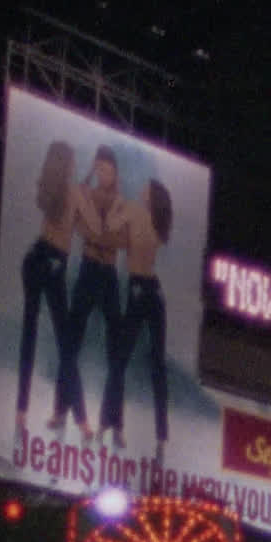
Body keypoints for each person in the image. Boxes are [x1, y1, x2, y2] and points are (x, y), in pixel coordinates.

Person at [99, 178, 174, 452]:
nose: (141, 189)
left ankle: (112, 424)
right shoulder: (157, 221)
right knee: (154, 365)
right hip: (151, 290)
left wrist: (117, 204)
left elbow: (111, 226)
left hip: (141, 289)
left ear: (150, 195)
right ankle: (158, 435)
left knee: (123, 361)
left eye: (146, 188)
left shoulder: (135, 210)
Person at [16, 140, 84, 436]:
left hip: (36, 257)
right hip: (53, 263)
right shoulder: (72, 192)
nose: (76, 164)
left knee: (30, 335)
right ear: (67, 163)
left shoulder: (53, 188)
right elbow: (86, 225)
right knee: (64, 344)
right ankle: (80, 418)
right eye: (73, 160)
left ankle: (21, 412)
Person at [61, 147, 127, 440]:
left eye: (107, 170)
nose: (103, 174)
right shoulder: (85, 193)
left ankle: (112, 422)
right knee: (70, 344)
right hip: (89, 268)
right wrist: (99, 232)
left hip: (107, 273)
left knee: (116, 353)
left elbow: (119, 239)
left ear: (115, 172)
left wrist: (98, 232)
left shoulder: (121, 202)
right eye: (99, 169)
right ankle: (72, 413)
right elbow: (81, 228)